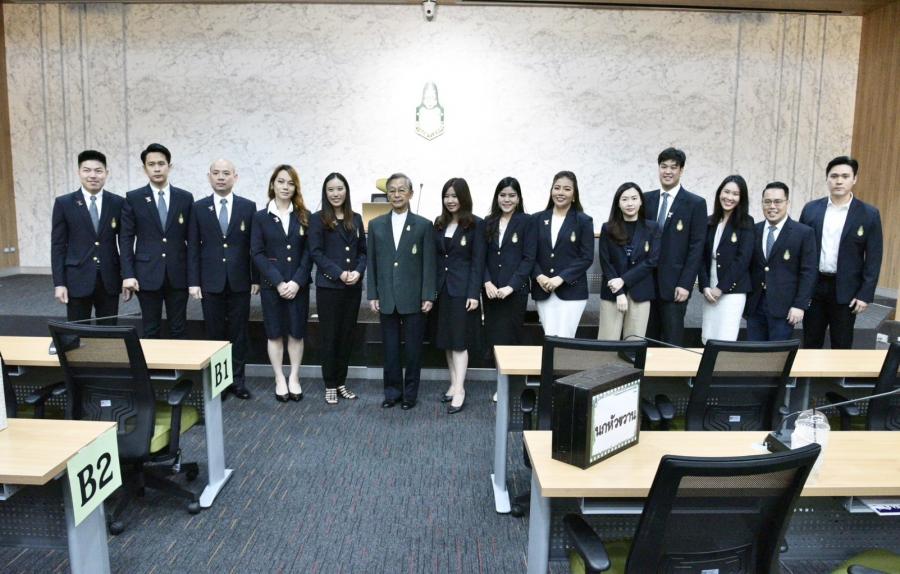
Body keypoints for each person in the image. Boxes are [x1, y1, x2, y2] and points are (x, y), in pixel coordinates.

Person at [187, 159, 259, 399]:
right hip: (210, 281)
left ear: (235, 177)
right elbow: (193, 247)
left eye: (226, 173)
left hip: (240, 280)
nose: (221, 177)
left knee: (239, 333)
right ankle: (220, 382)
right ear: (209, 177)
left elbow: (254, 247)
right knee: (215, 333)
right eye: (216, 173)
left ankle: (238, 381)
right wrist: (193, 281)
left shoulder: (248, 207)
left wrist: (255, 278)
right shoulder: (198, 207)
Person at [366, 173, 436, 410]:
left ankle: (410, 395)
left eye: (401, 190)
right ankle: (392, 393)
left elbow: (429, 265)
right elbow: (372, 263)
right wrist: (372, 294)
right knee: (390, 350)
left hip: (414, 299)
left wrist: (428, 295)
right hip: (386, 297)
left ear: (410, 194)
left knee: (414, 350)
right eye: (392, 190)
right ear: (387, 194)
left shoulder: (424, 225)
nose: (396, 195)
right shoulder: (376, 225)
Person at [799, 156, 883, 349]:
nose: (839, 181)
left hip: (847, 290)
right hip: (814, 286)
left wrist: (865, 294)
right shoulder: (811, 209)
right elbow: (801, 251)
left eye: (845, 176)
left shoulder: (869, 214)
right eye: (834, 176)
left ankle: (838, 371)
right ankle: (808, 371)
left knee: (842, 343)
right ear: (827, 179)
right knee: (811, 341)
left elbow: (874, 257)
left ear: (854, 179)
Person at [251, 165, 312, 402]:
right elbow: (257, 253)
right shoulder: (260, 217)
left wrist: (296, 282)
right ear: (272, 184)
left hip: (298, 286)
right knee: (274, 333)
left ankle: (294, 377)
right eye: (281, 182)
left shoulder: (304, 215)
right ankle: (279, 378)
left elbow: (309, 253)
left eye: (291, 183)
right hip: (272, 286)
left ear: (296, 187)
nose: (286, 187)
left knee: (296, 332)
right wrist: (277, 282)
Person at [119, 143, 194, 338]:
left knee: (179, 328)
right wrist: (128, 274)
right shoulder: (133, 198)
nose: (157, 168)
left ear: (170, 166)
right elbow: (125, 239)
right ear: (144, 169)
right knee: (150, 328)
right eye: (151, 164)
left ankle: (179, 360)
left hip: (178, 272)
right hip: (146, 273)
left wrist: (194, 277)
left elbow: (193, 240)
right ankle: (151, 361)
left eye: (161, 164)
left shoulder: (185, 198)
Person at [308, 173, 366, 405]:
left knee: (346, 336)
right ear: (325, 193)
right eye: (331, 189)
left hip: (352, 287)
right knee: (330, 336)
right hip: (329, 287)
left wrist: (358, 271)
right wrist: (339, 273)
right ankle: (330, 384)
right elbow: (316, 252)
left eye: (340, 188)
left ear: (346, 191)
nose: (335, 193)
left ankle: (341, 382)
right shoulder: (317, 219)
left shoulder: (356, 218)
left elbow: (363, 251)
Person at [643, 147, 707, 346]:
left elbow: (697, 248)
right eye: (664, 166)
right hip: (646, 284)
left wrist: (686, 283)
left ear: (681, 170)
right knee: (647, 338)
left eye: (673, 167)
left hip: (675, 285)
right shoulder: (646, 199)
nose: (668, 171)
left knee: (672, 340)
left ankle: (672, 370)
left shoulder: (695, 203)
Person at [51, 150, 123, 323]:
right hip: (77, 277)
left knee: (109, 330)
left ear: (106, 173)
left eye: (98, 171)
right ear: (79, 172)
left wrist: (127, 275)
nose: (93, 175)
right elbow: (58, 246)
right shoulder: (64, 203)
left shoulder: (118, 203)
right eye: (87, 170)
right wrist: (59, 283)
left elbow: (125, 242)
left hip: (109, 278)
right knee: (77, 329)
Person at [432, 178, 484, 414]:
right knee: (446, 340)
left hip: (463, 291)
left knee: (459, 342)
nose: (450, 200)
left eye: (454, 196)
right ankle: (453, 383)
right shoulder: (439, 223)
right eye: (446, 196)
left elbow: (478, 262)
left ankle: (461, 389)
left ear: (463, 197)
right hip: (442, 289)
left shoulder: (475, 224)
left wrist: (474, 293)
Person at [746, 182, 817, 342]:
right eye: (767, 201)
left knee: (777, 354)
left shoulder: (803, 233)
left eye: (777, 201)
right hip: (755, 305)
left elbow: (808, 272)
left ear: (787, 203)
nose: (772, 206)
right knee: (753, 351)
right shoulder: (753, 230)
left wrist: (800, 305)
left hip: (784, 308)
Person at [531, 171, 594, 338]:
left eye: (567, 189)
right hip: (543, 289)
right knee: (550, 336)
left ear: (574, 195)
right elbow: (529, 255)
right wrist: (539, 276)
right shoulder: (537, 219)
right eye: (557, 188)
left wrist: (560, 278)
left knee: (566, 338)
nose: (560, 192)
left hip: (572, 291)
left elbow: (586, 257)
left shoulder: (583, 221)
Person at [596, 182, 660, 341]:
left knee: (634, 343)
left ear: (641, 201)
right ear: (618, 203)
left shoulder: (652, 227)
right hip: (612, 293)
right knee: (607, 342)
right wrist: (619, 292)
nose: (630, 203)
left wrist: (623, 280)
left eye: (634, 198)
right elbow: (606, 262)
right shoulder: (607, 228)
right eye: (624, 199)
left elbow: (652, 261)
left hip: (640, 292)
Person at [698, 175, 755, 343]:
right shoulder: (709, 221)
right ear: (719, 193)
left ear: (741, 198)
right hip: (710, 288)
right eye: (726, 192)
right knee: (708, 335)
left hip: (732, 291)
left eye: (735, 194)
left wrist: (720, 288)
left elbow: (742, 260)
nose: (729, 197)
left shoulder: (746, 223)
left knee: (725, 337)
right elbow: (700, 257)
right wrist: (705, 286)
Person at [483, 177, 535, 350]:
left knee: (511, 341)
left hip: (515, 292)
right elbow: (480, 257)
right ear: (497, 197)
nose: (507, 200)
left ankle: (509, 370)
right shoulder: (488, 221)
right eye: (503, 195)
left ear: (518, 198)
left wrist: (511, 286)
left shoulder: (527, 221)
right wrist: (487, 282)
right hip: (491, 292)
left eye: (512, 195)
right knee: (491, 339)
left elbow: (529, 258)